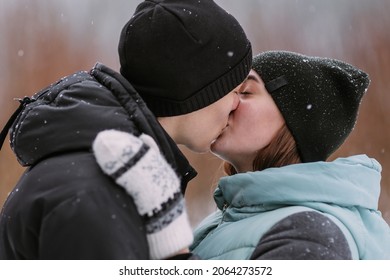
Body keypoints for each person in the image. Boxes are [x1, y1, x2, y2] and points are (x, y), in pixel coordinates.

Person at [0, 0, 252, 260]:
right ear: (198, 91)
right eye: (236, 90)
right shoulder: (94, 194)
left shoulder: (110, 172)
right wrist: (175, 254)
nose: (237, 104)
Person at [94, 50, 390, 259]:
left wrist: (167, 234)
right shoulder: (224, 222)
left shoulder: (312, 233)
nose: (227, 102)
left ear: (293, 122)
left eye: (244, 92)